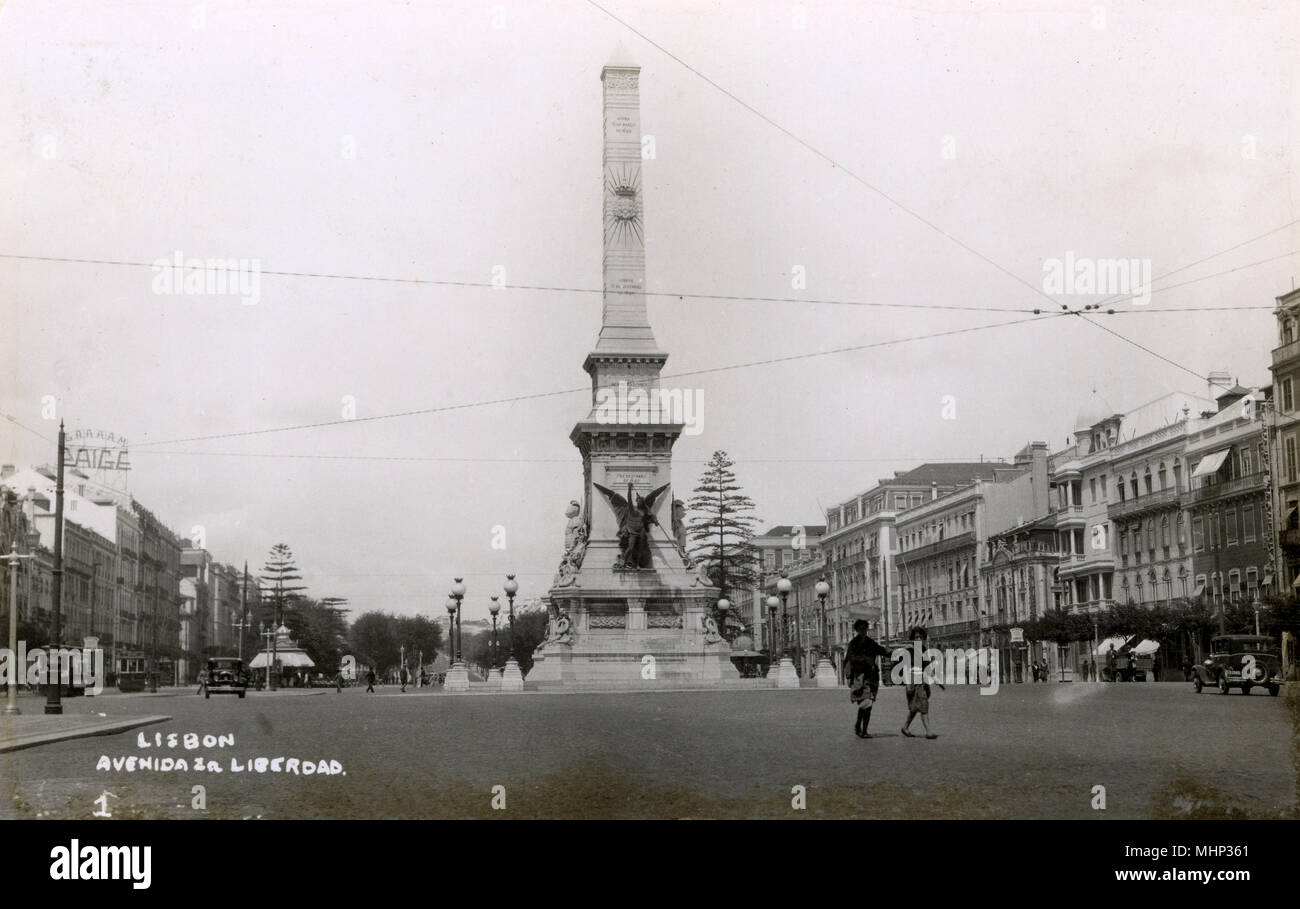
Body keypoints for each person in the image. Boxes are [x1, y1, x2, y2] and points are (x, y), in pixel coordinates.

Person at [845, 619, 891, 738]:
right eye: (861, 629)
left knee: (869, 704)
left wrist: (890, 652)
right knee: (866, 702)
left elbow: (880, 650)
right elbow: (850, 658)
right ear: (857, 630)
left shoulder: (870, 642)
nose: (863, 631)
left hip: (871, 677)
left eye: (865, 628)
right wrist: (864, 660)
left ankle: (862, 729)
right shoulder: (853, 643)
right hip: (859, 676)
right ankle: (860, 728)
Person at [902, 627, 944, 739]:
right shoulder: (909, 651)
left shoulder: (924, 650)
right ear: (912, 638)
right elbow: (906, 668)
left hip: (922, 681)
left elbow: (928, 667)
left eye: (920, 637)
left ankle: (905, 727)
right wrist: (908, 685)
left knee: (915, 707)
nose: (919, 639)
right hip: (912, 681)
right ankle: (929, 732)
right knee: (923, 704)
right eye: (916, 637)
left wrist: (937, 681)